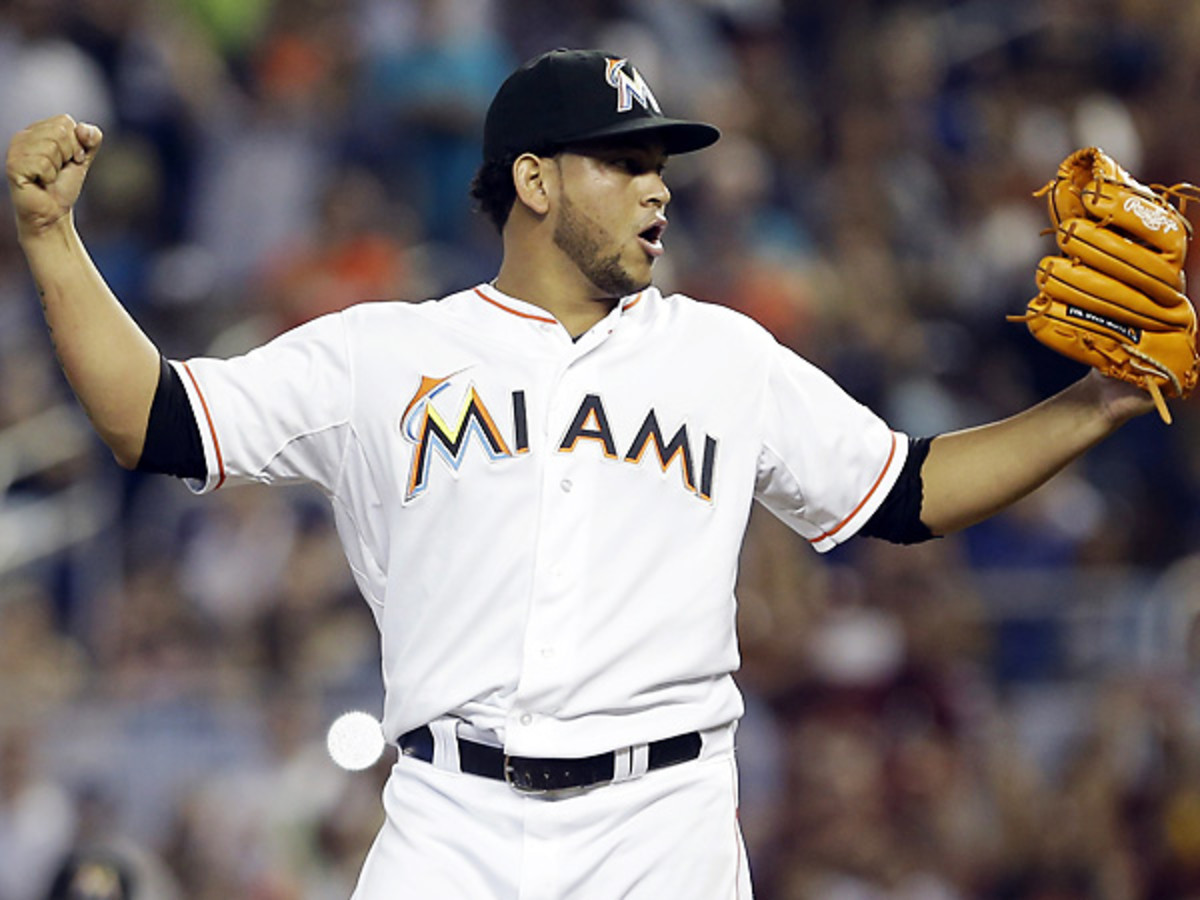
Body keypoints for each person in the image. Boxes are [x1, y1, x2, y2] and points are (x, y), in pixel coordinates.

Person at [5, 47, 1157, 899]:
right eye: (625, 163)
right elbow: (151, 420)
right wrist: (56, 243)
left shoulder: (721, 353)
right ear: (536, 181)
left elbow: (905, 493)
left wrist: (1096, 402)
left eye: (660, 166)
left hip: (664, 827)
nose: (659, 189)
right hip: (448, 823)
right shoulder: (382, 352)